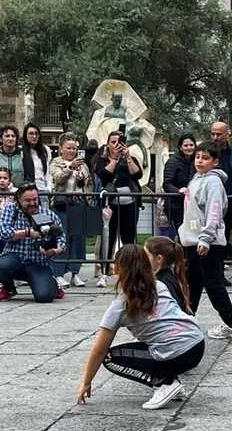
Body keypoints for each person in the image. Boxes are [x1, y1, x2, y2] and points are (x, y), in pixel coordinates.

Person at [76, 244, 205, 411]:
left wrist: (86, 382)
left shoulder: (121, 305)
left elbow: (99, 350)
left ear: (118, 270)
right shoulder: (159, 286)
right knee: (150, 344)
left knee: (109, 358)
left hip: (177, 353)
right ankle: (172, 381)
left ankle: (164, 383)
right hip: (197, 343)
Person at [179, 141, 232, 339]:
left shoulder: (213, 182)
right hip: (193, 239)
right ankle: (187, 319)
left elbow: (214, 211)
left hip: (208, 242)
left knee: (212, 283)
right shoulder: (197, 179)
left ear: (215, 162)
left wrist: (205, 238)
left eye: (205, 158)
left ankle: (230, 322)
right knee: (193, 282)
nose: (200, 161)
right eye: (198, 157)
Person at [0, 183, 66, 303]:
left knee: (44, 297)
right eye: (27, 200)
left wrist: (53, 250)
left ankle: (52, 285)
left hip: (38, 262)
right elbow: (3, 233)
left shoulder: (48, 214)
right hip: (15, 257)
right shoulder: (10, 210)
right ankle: (8, 287)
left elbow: (61, 239)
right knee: (2, 266)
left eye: (35, 199)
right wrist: (27, 233)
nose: (32, 203)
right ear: (18, 200)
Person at [94, 131, 142, 281]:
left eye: (119, 142)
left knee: (129, 236)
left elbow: (137, 174)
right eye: (113, 142)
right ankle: (104, 270)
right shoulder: (101, 159)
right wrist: (114, 159)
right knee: (108, 236)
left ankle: (130, 269)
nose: (116, 145)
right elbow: (103, 175)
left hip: (129, 202)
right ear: (108, 143)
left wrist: (127, 157)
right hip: (110, 204)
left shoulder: (130, 158)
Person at [50, 132, 93, 288]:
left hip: (79, 204)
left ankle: (75, 273)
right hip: (62, 204)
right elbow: (58, 178)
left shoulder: (83, 164)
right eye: (68, 148)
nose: (72, 151)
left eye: (74, 148)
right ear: (61, 149)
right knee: (62, 238)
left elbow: (88, 184)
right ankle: (59, 274)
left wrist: (82, 180)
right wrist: (70, 168)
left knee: (78, 240)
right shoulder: (56, 162)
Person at [144, 236, 193, 314]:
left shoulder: (163, 282)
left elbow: (173, 309)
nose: (143, 258)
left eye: (146, 255)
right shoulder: (170, 275)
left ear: (159, 259)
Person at [162, 133, 197, 235]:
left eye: (191, 145)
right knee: (182, 234)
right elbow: (167, 184)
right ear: (180, 148)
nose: (189, 148)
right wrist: (179, 191)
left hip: (193, 204)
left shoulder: (197, 160)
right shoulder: (173, 162)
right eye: (186, 145)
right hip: (176, 205)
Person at [21, 123, 51, 202]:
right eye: (31, 134)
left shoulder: (45, 150)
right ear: (25, 135)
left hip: (43, 189)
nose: (34, 136)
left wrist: (48, 188)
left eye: (36, 134)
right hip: (28, 190)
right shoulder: (20, 150)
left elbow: (48, 172)